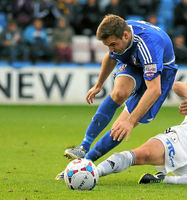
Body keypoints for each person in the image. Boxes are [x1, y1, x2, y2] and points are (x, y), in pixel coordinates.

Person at [59, 14, 178, 172]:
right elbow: (111, 57)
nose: (111, 49)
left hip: (161, 75)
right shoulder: (120, 34)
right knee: (119, 93)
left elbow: (154, 90)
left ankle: (84, 165)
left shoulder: (148, 45)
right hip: (134, 62)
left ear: (126, 35)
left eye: (113, 44)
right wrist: (99, 84)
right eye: (108, 45)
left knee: (120, 127)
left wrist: (130, 121)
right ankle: (84, 146)